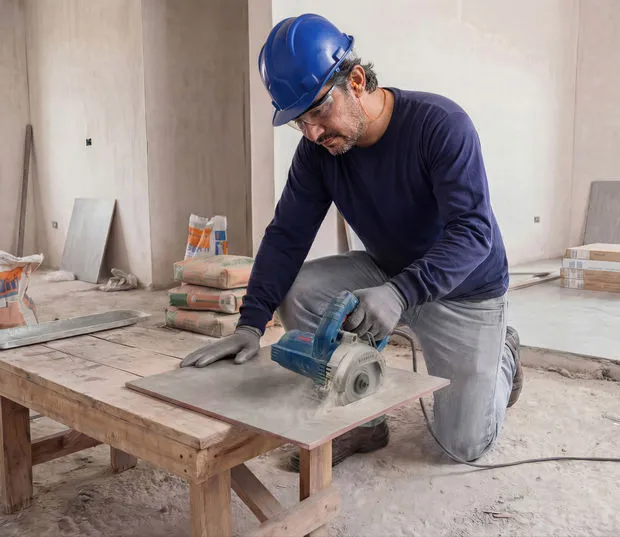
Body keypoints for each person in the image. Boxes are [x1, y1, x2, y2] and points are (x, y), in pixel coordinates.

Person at [180, 13, 523, 469]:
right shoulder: (318, 153)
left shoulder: (440, 125)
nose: (313, 133)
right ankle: (360, 422)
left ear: (356, 80)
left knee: (461, 447)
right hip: (388, 269)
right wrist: (251, 323)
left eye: (319, 111)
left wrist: (401, 292)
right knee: (300, 290)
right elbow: (286, 236)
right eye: (299, 123)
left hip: (465, 289)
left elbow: (474, 233)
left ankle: (504, 357)